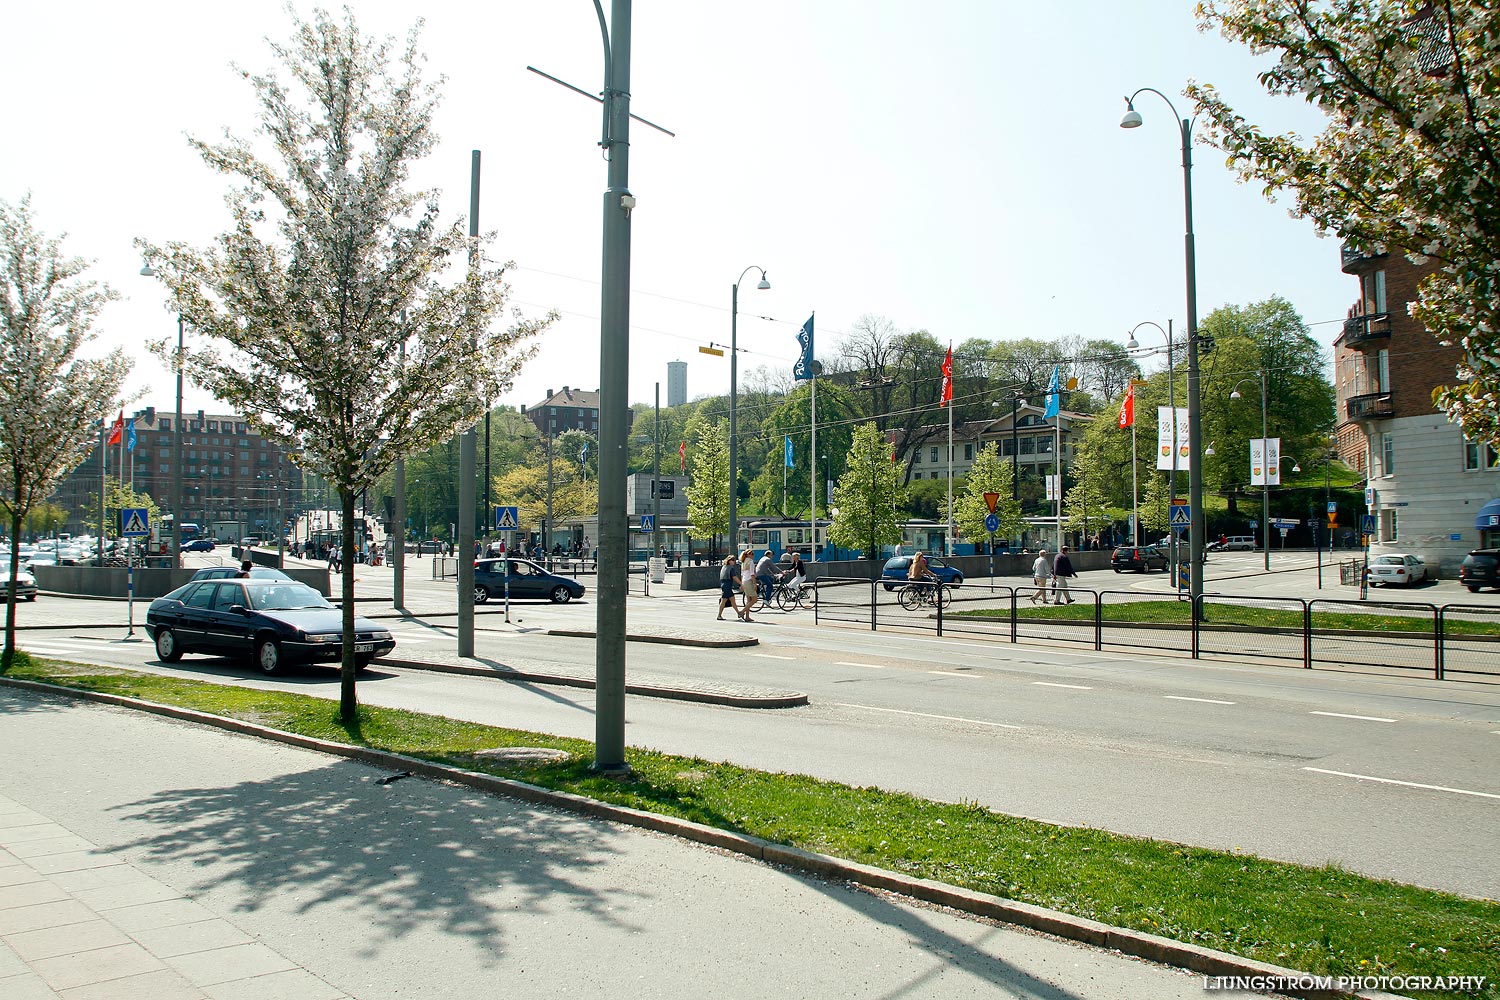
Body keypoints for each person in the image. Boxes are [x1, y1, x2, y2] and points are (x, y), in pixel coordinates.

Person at [717, 554, 746, 621]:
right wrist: (741, 583)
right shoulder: (731, 568)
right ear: (729, 561)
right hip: (727, 585)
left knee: (732, 600)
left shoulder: (724, 567)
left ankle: (739, 613)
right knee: (724, 600)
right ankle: (719, 615)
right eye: (733, 560)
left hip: (724, 584)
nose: (734, 562)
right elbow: (734, 577)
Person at [739, 549, 759, 615]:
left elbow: (742, 574)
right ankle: (742, 612)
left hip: (744, 581)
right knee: (754, 599)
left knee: (748, 600)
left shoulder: (743, 562)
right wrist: (754, 583)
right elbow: (752, 574)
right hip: (749, 581)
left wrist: (741, 584)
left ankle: (747, 617)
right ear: (748, 555)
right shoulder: (751, 562)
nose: (753, 555)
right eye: (752, 554)